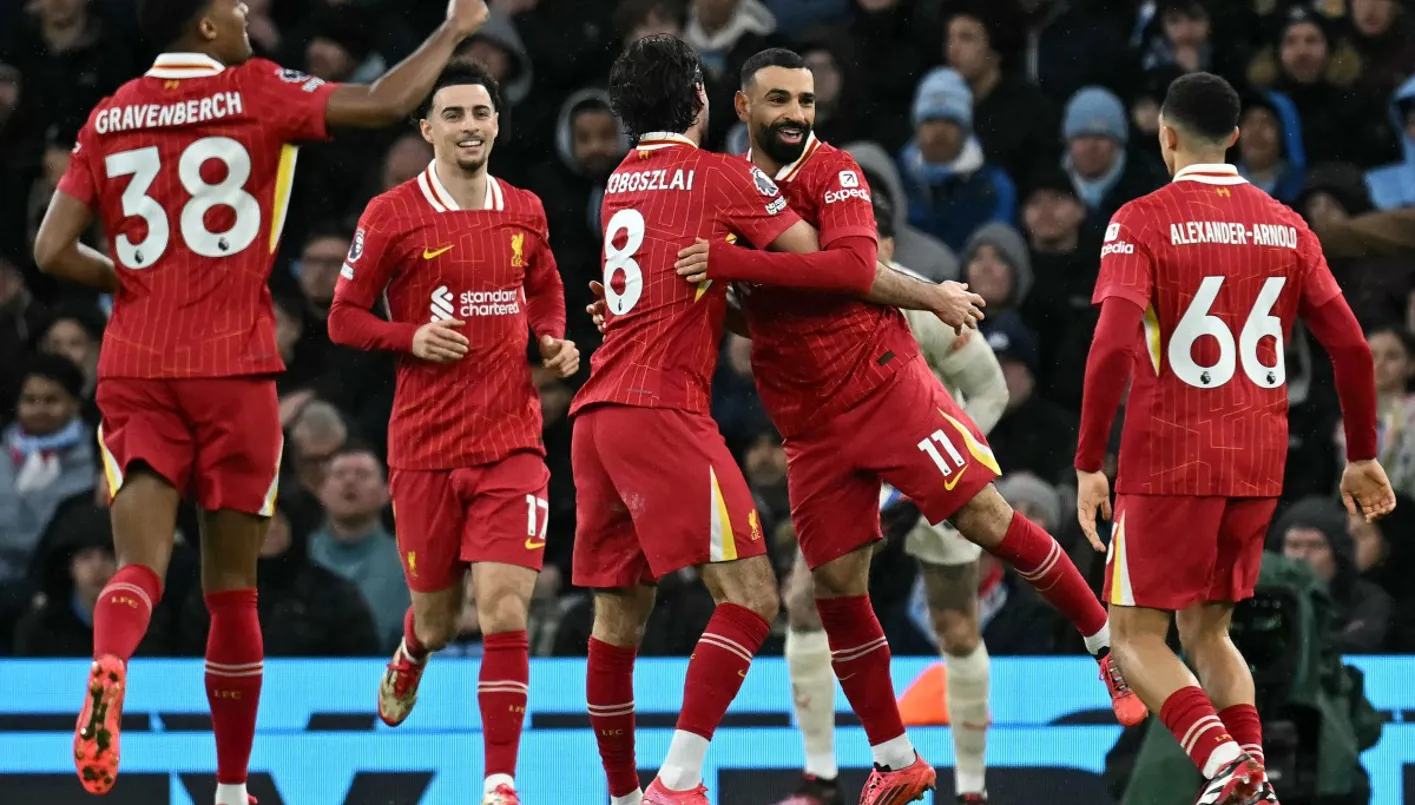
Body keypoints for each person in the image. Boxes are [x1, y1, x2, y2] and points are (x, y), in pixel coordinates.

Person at [29, 0, 493, 800]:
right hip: (232, 364)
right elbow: (385, 101)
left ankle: (108, 662)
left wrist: (137, 281)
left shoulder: (110, 115)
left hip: (136, 364)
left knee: (137, 565)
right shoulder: (253, 88)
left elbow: (49, 249)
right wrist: (454, 28)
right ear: (205, 27)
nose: (245, 10)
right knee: (232, 591)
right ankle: (232, 787)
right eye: (232, 4)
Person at [671, 48, 1146, 805]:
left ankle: (1104, 645)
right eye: (779, 100)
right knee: (834, 588)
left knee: (987, 519)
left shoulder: (835, 172)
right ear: (742, 107)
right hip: (808, 424)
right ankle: (895, 758)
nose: (795, 114)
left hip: (885, 386)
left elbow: (850, 269)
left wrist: (731, 265)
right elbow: (754, 312)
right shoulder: (725, 188)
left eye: (805, 100)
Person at [571, 35, 982, 805]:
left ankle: (622, 797)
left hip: (596, 414)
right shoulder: (722, 177)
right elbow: (839, 268)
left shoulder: (620, 181)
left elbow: (676, 287)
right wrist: (931, 294)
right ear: (700, 100)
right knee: (752, 597)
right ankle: (676, 784)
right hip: (662, 410)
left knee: (617, 616)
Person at [1074, 71, 1395, 805]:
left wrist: (1089, 460)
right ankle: (1253, 774)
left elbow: (1112, 344)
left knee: (1132, 637)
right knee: (1208, 632)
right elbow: (1351, 347)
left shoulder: (1140, 220)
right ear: (1236, 137)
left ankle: (1223, 761)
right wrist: (1361, 454)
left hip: (1169, 458)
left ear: (1165, 136)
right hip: (1255, 460)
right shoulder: (1288, 226)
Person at [327, 61, 574, 805]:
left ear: (496, 124)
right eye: (454, 114)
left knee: (503, 611)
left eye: (481, 113)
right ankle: (411, 649)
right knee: (438, 623)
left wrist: (551, 339)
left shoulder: (525, 208)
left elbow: (546, 288)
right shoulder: (391, 214)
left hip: (511, 445)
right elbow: (343, 318)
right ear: (427, 127)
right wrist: (407, 336)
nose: (470, 126)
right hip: (425, 450)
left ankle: (499, 782)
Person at [774, 193, 1009, 805]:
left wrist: (945, 463)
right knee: (806, 603)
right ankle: (820, 778)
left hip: (933, 468)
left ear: (890, 247)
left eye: (868, 239)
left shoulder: (922, 301)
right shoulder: (810, 299)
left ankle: (973, 791)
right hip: (857, 476)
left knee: (957, 626)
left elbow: (991, 390)